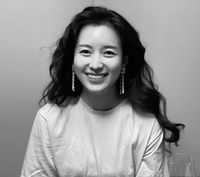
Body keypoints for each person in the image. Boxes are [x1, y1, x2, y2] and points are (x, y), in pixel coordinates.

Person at [21, 6, 184, 177]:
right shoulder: (49, 120)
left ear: (124, 62)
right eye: (85, 51)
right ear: (72, 59)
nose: (96, 64)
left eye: (108, 53)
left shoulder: (146, 124)